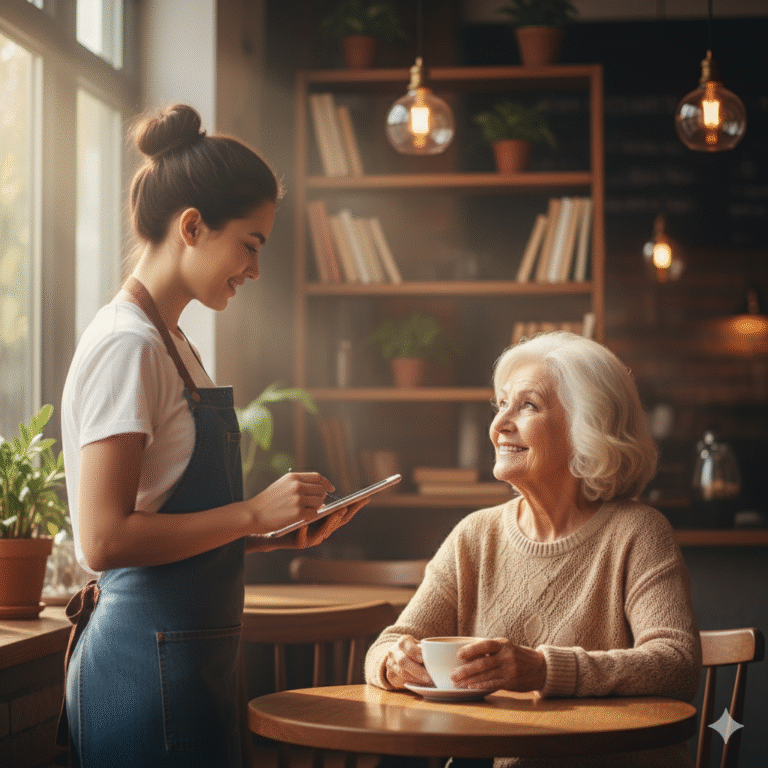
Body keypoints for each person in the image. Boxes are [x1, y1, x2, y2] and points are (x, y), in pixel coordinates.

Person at [59, 103, 367, 767]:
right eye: (250, 245)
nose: (254, 270)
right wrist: (250, 510)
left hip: (186, 661)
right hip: (141, 666)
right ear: (192, 226)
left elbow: (163, 514)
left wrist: (260, 534)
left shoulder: (172, 343)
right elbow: (104, 538)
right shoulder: (128, 346)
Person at [365, 331, 701, 768]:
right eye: (501, 404)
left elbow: (676, 664)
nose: (499, 424)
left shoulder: (637, 532)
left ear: (588, 428)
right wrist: (394, 663)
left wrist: (544, 670)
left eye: (528, 405)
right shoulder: (474, 535)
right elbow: (388, 643)